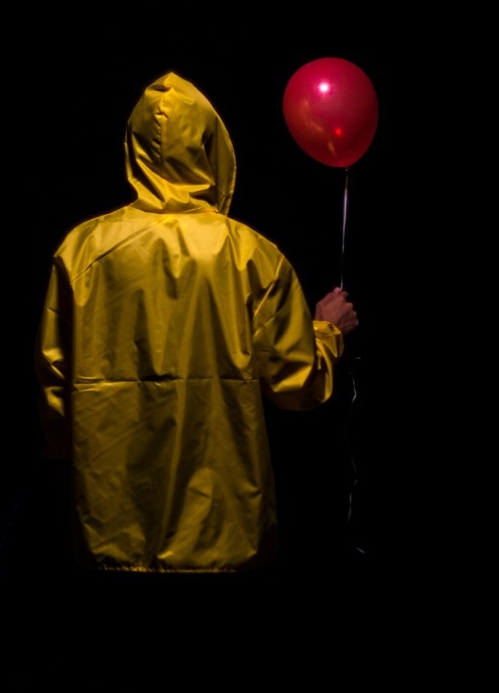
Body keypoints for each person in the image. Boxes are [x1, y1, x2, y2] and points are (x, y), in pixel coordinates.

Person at [34, 71, 358, 593]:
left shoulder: (81, 251)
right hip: (226, 536)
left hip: (109, 535)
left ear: (135, 147)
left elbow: (54, 393)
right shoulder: (251, 254)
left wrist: (61, 478)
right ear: (212, 147)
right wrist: (328, 331)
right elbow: (297, 385)